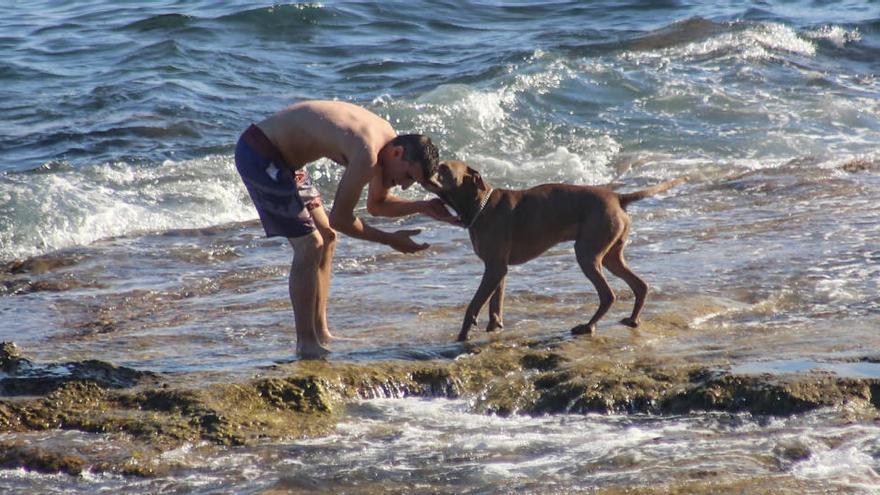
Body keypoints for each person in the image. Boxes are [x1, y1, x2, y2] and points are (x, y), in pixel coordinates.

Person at [234, 100, 456, 358]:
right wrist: (390, 240)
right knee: (310, 244)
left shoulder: (388, 144)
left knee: (327, 237)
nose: (405, 186)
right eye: (408, 176)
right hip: (260, 153)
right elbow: (341, 217)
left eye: (412, 183)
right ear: (397, 154)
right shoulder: (368, 152)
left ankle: (321, 331)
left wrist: (423, 207)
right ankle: (306, 343)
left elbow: (377, 205)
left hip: (290, 165)